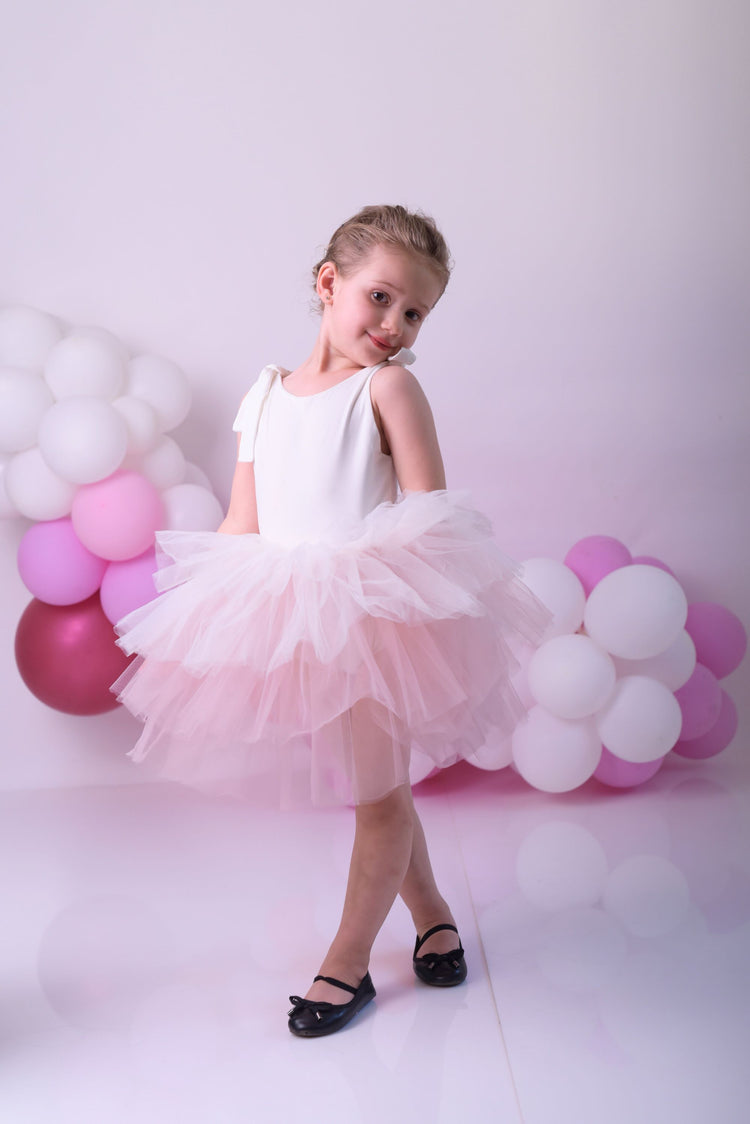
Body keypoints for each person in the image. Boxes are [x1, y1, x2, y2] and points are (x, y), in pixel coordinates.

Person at [114, 204, 548, 1038]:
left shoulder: (389, 388)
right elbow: (246, 520)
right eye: (380, 299)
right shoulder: (264, 393)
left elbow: (432, 511)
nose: (395, 325)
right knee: (376, 784)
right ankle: (435, 917)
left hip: (375, 609)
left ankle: (345, 966)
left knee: (378, 797)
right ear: (328, 284)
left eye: (415, 313)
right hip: (296, 613)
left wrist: (365, 580)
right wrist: (200, 611)